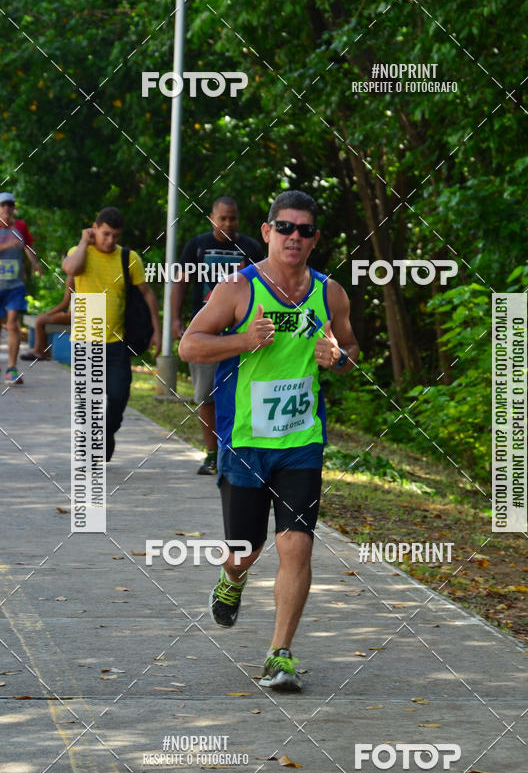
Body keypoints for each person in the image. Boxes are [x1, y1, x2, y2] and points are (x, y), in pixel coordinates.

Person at [179, 190, 359, 692]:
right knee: (245, 550)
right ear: (267, 231)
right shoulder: (238, 288)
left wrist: (338, 357)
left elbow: (350, 349)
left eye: (304, 230)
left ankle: (280, 655)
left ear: (315, 238)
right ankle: (231, 580)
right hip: (245, 443)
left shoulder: (330, 293)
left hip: (302, 443)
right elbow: (189, 345)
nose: (294, 237)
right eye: (285, 227)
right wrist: (243, 340)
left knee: (297, 546)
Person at [172, 196, 263, 475]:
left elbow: (266, 286)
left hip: (243, 332)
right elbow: (181, 283)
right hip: (206, 332)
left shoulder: (251, 248)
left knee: (244, 393)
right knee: (206, 395)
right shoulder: (197, 246)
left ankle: (241, 452)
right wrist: (175, 319)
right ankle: (212, 454)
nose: (228, 223)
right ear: (212, 218)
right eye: (222, 218)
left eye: (232, 218)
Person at [62, 207, 161, 461]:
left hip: (117, 342)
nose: (110, 241)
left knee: (119, 395)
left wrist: (157, 331)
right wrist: (84, 242)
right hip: (85, 341)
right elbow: (71, 269)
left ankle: (106, 432)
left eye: (115, 236)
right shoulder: (79, 253)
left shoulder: (128, 258)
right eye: (105, 234)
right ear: (94, 228)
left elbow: (147, 294)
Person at [0, 194, 43, 384]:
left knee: (12, 323)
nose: (7, 208)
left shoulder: (21, 226)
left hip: (15, 285)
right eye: (3, 205)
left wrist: (35, 263)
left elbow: (28, 246)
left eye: (10, 205)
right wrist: (6, 246)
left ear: (14, 208)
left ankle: (11, 369)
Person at [20, 275, 74, 361]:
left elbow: (65, 303)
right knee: (42, 319)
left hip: (75, 315)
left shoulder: (72, 277)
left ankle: (39, 352)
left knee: (40, 320)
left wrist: (47, 314)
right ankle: (43, 351)